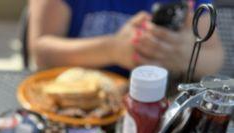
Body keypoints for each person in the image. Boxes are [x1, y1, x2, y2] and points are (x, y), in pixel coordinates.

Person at [27, 0, 224, 78]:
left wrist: (182, 55)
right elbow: (41, 52)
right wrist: (112, 49)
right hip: (66, 99)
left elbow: (214, 58)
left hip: (150, 108)